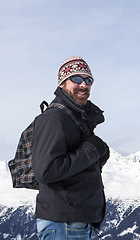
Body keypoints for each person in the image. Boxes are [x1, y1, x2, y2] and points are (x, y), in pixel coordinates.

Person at [32, 56, 109, 240]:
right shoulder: (55, 117)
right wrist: (92, 150)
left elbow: (78, 164)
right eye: (76, 79)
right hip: (63, 224)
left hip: (72, 223)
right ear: (62, 83)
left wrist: (99, 153)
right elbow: (46, 170)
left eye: (88, 80)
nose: (83, 85)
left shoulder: (76, 118)